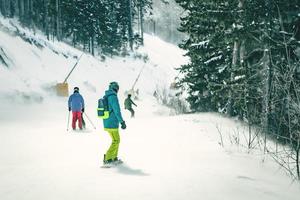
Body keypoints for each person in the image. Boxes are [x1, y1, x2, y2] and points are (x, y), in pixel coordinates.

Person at [102, 82, 126, 166]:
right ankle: (108, 158)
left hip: (107, 122)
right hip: (112, 123)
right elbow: (117, 111)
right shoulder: (113, 97)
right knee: (116, 140)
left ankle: (113, 157)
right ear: (115, 88)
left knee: (116, 140)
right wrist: (122, 122)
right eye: (117, 88)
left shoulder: (107, 96)